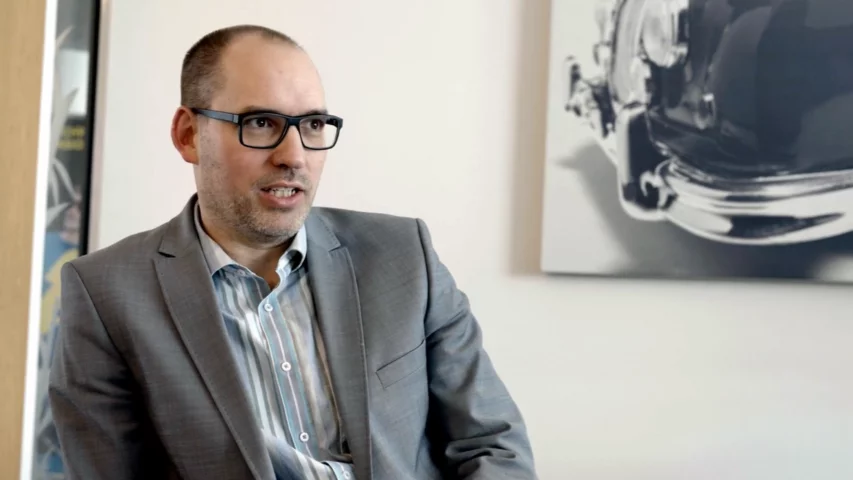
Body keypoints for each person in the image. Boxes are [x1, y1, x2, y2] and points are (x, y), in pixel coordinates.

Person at [48, 24, 537, 480]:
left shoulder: (403, 256)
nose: (294, 155)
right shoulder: (108, 294)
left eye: (314, 124)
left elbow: (493, 444)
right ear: (189, 134)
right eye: (261, 123)